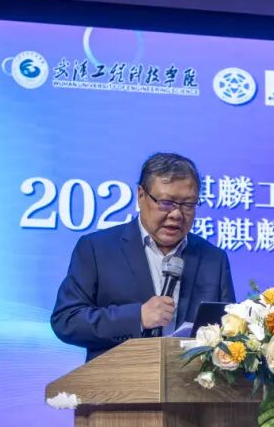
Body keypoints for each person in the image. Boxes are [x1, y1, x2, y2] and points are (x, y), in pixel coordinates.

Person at [50, 152, 235, 360]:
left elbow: (230, 333)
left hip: (188, 379)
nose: (176, 214)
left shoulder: (214, 259)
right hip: (119, 377)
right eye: (166, 202)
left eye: (188, 204)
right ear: (141, 196)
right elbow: (67, 320)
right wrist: (138, 317)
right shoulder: (97, 249)